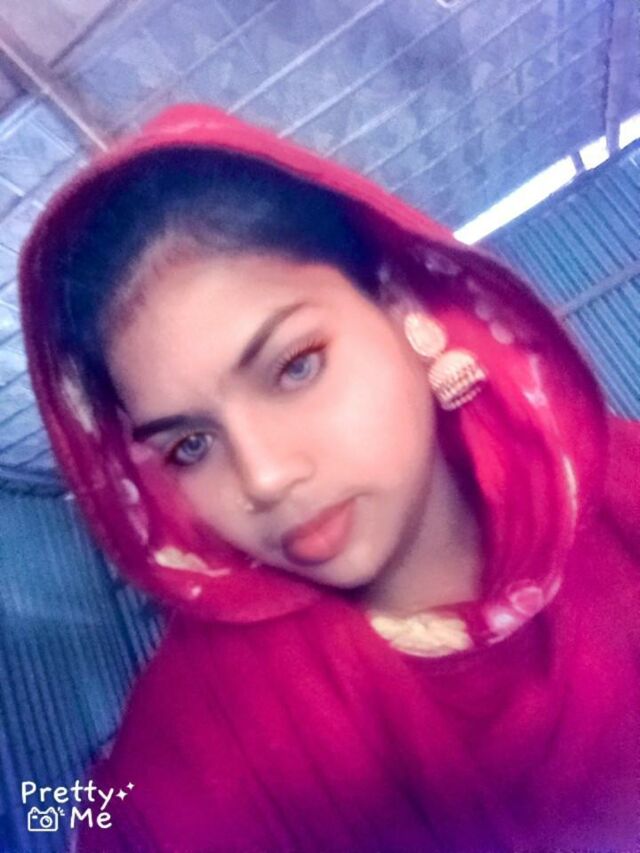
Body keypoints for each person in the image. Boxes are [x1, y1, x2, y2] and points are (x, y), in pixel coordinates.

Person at [19, 103, 640, 852]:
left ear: (400, 303)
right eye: (190, 445)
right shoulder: (196, 746)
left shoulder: (622, 488)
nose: (264, 477)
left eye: (295, 367)